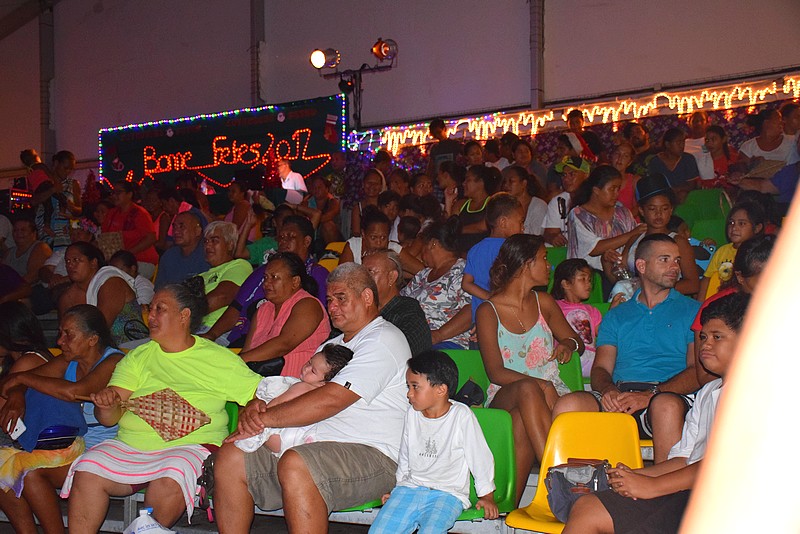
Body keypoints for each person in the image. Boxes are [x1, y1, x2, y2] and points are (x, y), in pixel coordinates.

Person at [213, 263, 411, 533]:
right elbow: (293, 387)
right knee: (231, 455)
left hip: (375, 456)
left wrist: (263, 418)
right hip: (314, 446)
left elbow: (331, 399)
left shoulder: (384, 339)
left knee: (297, 462)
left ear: (366, 297)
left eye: (341, 298)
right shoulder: (335, 345)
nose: (332, 307)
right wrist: (255, 404)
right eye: (329, 300)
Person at [61, 280, 263, 532]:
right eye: (151, 309)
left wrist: (252, 410)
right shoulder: (138, 357)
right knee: (87, 468)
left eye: (160, 309)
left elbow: (260, 393)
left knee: (170, 476)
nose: (151, 316)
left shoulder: (217, 358)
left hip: (190, 446)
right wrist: (107, 404)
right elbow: (109, 418)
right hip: (131, 445)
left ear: (184, 315)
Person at [563, 292, 750, 534]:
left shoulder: (758, 395)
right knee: (588, 507)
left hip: (735, 501)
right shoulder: (709, 392)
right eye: (703, 337)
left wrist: (653, 486)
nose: (705, 345)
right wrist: (632, 477)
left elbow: (724, 466)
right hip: (695, 494)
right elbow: (684, 459)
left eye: (717, 337)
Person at [552, 234, 701, 463]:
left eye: (677, 260)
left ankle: (663, 492)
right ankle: (579, 487)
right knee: (569, 404)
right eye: (665, 259)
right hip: (622, 394)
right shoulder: (617, 316)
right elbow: (601, 368)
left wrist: (650, 395)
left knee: (666, 406)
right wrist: (609, 390)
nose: (675, 267)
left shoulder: (693, 310)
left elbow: (696, 371)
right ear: (641, 265)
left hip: (669, 394)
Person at [476, 234, 584, 500]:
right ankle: (557, 474)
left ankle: (510, 506)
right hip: (506, 393)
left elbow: (575, 339)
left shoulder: (544, 302)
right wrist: (541, 384)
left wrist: (567, 345)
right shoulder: (488, 311)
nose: (549, 266)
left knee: (523, 421)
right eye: (544, 259)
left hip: (544, 396)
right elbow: (495, 372)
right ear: (526, 264)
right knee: (527, 389)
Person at [0, 304, 123, 534]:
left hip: (103, 450)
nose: (60, 341)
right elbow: (11, 382)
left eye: (69, 334)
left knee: (31, 473)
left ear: (92, 339)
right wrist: (18, 396)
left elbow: (75, 391)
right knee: (6, 468)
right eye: (60, 333)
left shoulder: (113, 361)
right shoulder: (68, 361)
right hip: (71, 446)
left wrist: (23, 381)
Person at [369, 351, 498, 534]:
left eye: (415, 387)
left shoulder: (461, 416)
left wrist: (487, 496)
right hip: (409, 489)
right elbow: (405, 456)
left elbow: (480, 458)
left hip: (447, 495)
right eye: (408, 386)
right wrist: (398, 489)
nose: (409, 394)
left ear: (440, 390)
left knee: (431, 531)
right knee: (379, 531)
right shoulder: (412, 414)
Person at [204, 214, 329, 347]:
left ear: (307, 241)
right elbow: (236, 307)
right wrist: (211, 335)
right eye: (281, 237)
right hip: (243, 338)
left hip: (287, 343)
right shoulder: (263, 272)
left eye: (290, 236)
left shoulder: (318, 273)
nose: (283, 241)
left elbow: (316, 319)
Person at [234, 343, 354, 454]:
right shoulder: (323, 396)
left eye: (313, 371)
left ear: (324, 383)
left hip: (282, 437)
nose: (306, 368)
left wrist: (251, 426)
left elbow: (276, 403)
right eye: (309, 362)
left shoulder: (302, 387)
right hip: (300, 442)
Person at [239, 252, 330, 377]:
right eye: (265, 277)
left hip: (296, 386)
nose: (266, 283)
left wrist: (236, 361)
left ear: (295, 281)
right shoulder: (263, 310)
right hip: (258, 383)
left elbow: (284, 344)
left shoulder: (308, 304)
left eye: (274, 277)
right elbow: (247, 350)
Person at [610, 174, 700, 297]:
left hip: (666, 300)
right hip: (637, 298)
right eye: (652, 209)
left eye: (664, 209)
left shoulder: (678, 242)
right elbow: (620, 279)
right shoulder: (635, 239)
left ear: (671, 210)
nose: (659, 214)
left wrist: (654, 289)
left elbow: (693, 284)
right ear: (642, 211)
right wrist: (606, 261)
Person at [58, 242, 147, 347]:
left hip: (133, 347)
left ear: (93, 263)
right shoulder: (67, 297)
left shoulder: (111, 282)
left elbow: (100, 328)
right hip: (90, 353)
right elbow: (64, 335)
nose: (70, 265)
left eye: (76, 260)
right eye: (67, 261)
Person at [401, 218, 472, 350]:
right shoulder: (423, 275)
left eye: (423, 248)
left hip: (447, 343)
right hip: (414, 340)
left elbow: (471, 309)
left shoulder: (462, 270)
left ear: (433, 243)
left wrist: (438, 335)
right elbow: (401, 302)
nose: (421, 255)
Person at [567, 165, 643, 277]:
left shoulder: (622, 212)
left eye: (618, 189)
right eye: (612, 189)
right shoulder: (579, 215)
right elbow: (594, 248)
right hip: (588, 276)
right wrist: (631, 234)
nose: (616, 194)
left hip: (621, 272)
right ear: (596, 190)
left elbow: (635, 239)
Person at [462, 192, 524, 324]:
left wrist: (489, 297)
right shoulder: (511, 249)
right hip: (506, 317)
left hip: (481, 318)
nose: (523, 228)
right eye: (520, 222)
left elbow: (466, 283)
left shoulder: (475, 249)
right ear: (503, 222)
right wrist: (496, 299)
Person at [363, 249, 432, 356]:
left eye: (370, 272)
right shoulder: (361, 309)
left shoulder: (409, 311)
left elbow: (401, 352)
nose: (362, 279)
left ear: (391, 277)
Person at [697, 201, 765, 301]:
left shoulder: (760, 253)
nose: (734, 228)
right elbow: (707, 279)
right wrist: (701, 304)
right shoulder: (722, 251)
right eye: (731, 223)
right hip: (723, 301)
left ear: (757, 228)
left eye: (742, 223)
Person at [551, 258, 606, 377]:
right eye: (582, 279)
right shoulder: (555, 307)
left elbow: (604, 334)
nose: (589, 284)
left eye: (590, 280)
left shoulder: (592, 310)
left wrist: (613, 311)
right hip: (569, 356)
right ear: (566, 284)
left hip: (591, 355)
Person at [198, 221, 253, 330]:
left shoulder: (239, 265)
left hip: (214, 329)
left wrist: (182, 313)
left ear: (230, 245)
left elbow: (222, 296)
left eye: (214, 240)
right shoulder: (201, 276)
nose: (208, 245)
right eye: (206, 241)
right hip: (190, 327)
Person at [101, 181, 158, 280]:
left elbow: (151, 238)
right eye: (113, 192)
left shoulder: (140, 213)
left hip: (141, 261)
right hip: (118, 262)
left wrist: (127, 255)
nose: (114, 196)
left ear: (129, 194)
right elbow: (106, 236)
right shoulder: (111, 213)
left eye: (118, 192)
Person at [449, 165, 501, 252]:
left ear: (481, 182)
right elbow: (449, 226)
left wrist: (458, 230)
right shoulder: (461, 204)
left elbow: (484, 226)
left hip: (481, 253)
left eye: (468, 180)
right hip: (458, 253)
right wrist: (448, 201)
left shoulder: (493, 203)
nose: (463, 183)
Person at [153, 211, 210, 289]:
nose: (176, 231)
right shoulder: (169, 256)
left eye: (181, 226)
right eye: (174, 227)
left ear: (197, 231)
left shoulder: (209, 254)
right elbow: (159, 288)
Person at [543, 156, 591, 246]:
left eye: (572, 174)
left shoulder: (594, 200)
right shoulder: (558, 201)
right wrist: (553, 238)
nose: (566, 179)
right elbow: (549, 232)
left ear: (586, 175)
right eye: (564, 175)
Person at [647, 128, 700, 199]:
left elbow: (692, 185)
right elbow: (655, 186)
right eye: (678, 142)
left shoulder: (688, 159)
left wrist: (675, 189)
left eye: (683, 142)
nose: (682, 146)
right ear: (667, 144)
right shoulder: (655, 162)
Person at [4, 217, 52, 285]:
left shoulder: (40, 247)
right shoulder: (9, 252)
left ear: (33, 233)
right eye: (15, 230)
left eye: (23, 230)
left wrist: (12, 290)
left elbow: (33, 276)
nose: (19, 233)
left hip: (32, 291)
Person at [502, 165, 548, 235]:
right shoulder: (505, 206)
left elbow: (536, 236)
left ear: (524, 183)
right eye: (505, 182)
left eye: (511, 181)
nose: (506, 185)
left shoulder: (539, 206)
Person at [301, 174, 342, 245]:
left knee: (327, 225)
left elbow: (329, 216)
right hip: (312, 238)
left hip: (332, 237)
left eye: (319, 187)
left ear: (327, 189)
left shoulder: (333, 202)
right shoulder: (306, 203)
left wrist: (314, 219)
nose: (316, 190)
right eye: (314, 187)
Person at [683, 110, 715, 182]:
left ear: (707, 123)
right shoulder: (683, 143)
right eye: (695, 121)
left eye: (702, 120)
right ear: (689, 124)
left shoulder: (711, 141)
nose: (698, 123)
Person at [351, 169, 385, 237]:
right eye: (369, 183)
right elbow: (356, 233)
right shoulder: (358, 208)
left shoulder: (385, 206)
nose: (372, 186)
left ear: (381, 187)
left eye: (376, 184)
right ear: (363, 184)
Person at [608, 142, 639, 215]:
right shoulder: (601, 179)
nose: (620, 158)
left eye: (625, 156)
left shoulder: (634, 181)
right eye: (617, 154)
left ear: (630, 162)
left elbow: (640, 206)